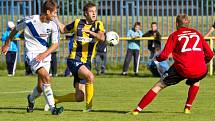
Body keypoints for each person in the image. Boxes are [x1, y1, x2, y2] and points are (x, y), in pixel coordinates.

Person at [129, 14, 214, 115]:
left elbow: (164, 56)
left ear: (177, 24)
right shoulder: (196, 33)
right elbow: (210, 54)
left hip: (182, 68)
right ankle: (187, 108)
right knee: (196, 80)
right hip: (201, 69)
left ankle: (137, 110)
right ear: (188, 24)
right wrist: (202, 63)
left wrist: (157, 58)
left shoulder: (175, 35)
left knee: (159, 85)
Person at [1, 0, 63, 115]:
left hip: (45, 54)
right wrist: (6, 44)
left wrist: (44, 54)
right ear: (48, 12)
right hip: (32, 54)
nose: (56, 16)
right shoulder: (30, 20)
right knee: (46, 77)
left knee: (40, 88)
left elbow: (55, 44)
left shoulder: (53, 25)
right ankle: (53, 108)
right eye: (54, 13)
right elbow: (15, 30)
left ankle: (30, 99)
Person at [52, 2, 105, 112]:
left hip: (87, 63)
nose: (94, 13)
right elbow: (63, 30)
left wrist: (91, 32)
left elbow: (101, 37)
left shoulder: (98, 24)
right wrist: (55, 18)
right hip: (74, 60)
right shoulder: (77, 23)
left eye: (95, 11)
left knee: (79, 97)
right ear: (86, 13)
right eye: (91, 11)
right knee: (90, 76)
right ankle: (89, 108)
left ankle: (55, 99)